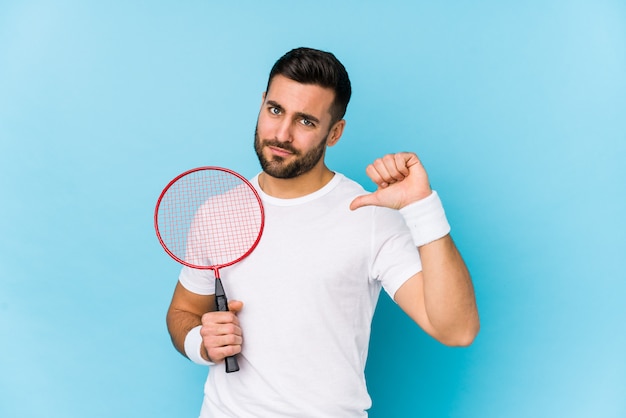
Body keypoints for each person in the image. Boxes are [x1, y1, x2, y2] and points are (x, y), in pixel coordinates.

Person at [166, 47, 479, 417]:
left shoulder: (369, 216)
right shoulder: (219, 212)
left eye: (306, 121)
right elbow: (183, 310)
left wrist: (422, 207)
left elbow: (457, 330)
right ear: (262, 103)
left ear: (335, 133)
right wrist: (199, 342)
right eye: (275, 110)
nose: (281, 133)